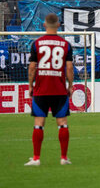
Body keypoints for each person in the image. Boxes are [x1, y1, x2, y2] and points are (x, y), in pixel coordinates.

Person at [25, 13, 73, 166]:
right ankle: (64, 158)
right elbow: (69, 67)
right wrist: (70, 85)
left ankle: (36, 158)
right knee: (62, 123)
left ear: (44, 25)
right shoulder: (66, 45)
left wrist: (30, 85)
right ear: (58, 25)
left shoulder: (36, 44)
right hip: (59, 89)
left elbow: (32, 67)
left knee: (39, 123)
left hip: (41, 89)